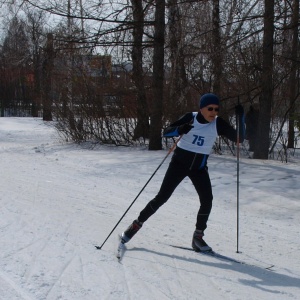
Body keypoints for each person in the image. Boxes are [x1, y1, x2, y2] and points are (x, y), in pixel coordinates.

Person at [121, 93, 245, 252]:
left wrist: (241, 117)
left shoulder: (218, 124)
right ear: (201, 109)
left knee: (207, 200)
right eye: (210, 109)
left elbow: (239, 139)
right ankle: (135, 225)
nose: (214, 112)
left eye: (216, 109)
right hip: (179, 164)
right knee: (162, 197)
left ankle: (198, 237)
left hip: (199, 168)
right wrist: (180, 129)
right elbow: (166, 132)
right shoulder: (190, 118)